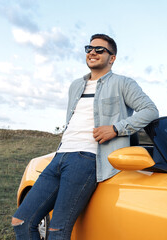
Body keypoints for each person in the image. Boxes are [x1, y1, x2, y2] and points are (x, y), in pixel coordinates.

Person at [11, 34, 159, 239]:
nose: (92, 52)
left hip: (86, 158)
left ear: (112, 58)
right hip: (59, 156)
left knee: (57, 229)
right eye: (89, 48)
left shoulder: (123, 83)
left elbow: (150, 110)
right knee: (22, 221)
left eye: (100, 50)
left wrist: (116, 128)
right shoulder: (75, 85)